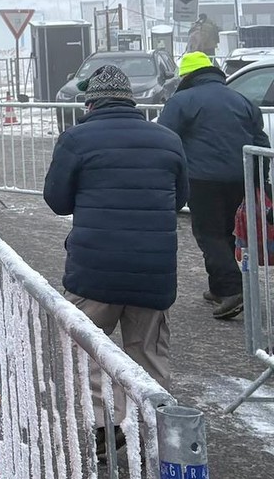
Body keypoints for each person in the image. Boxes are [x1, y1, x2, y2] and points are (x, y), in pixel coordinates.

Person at [42, 64, 188, 459]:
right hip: (153, 273)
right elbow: (180, 198)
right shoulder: (167, 139)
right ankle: (161, 435)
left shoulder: (76, 139)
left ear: (90, 102)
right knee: (148, 356)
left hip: (94, 272)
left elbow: (56, 201)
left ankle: (105, 430)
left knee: (91, 351)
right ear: (131, 100)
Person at [158, 51, 270, 320]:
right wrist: (259, 179)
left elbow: (164, 138)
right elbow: (260, 142)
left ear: (186, 76)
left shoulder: (181, 101)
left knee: (209, 234)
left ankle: (232, 289)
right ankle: (219, 287)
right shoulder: (241, 99)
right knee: (229, 233)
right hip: (241, 177)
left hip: (202, 179)